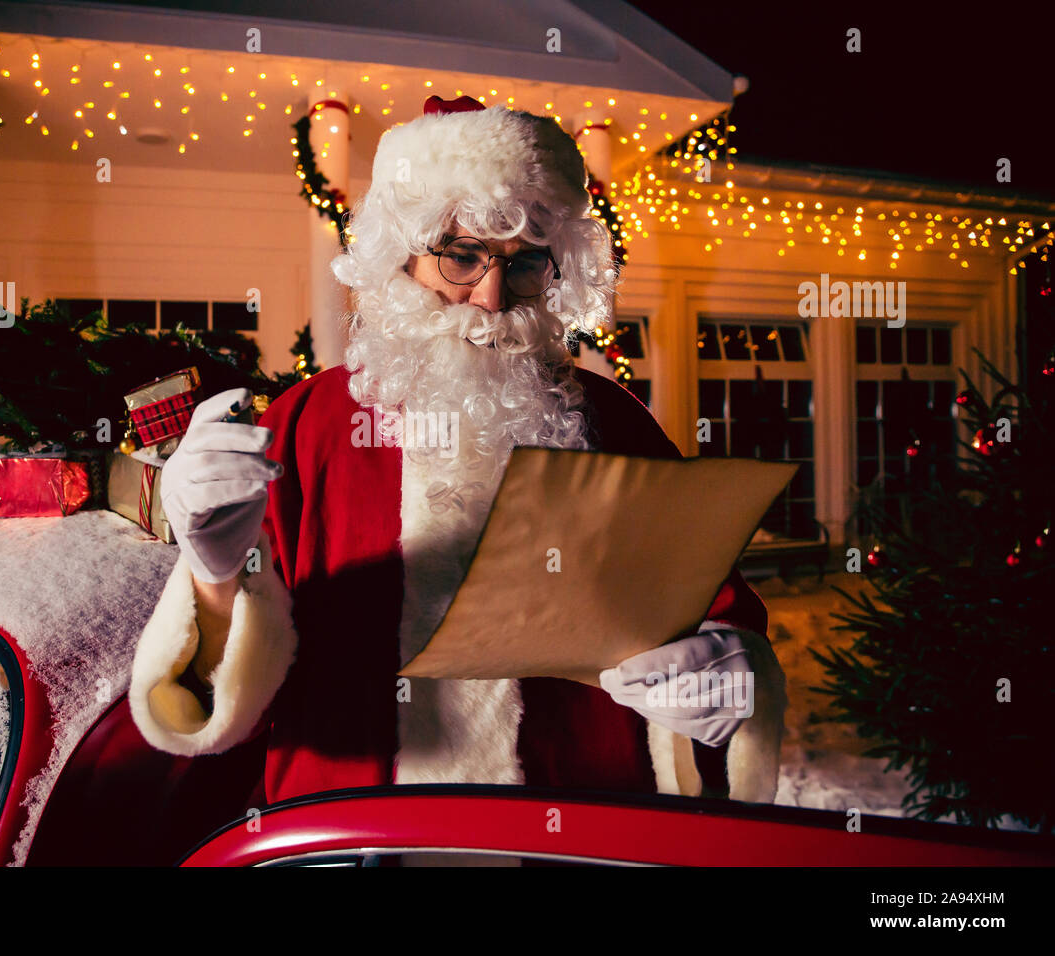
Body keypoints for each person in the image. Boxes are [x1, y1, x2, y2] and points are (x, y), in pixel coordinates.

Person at [130, 96, 786, 806]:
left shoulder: (615, 425)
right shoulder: (306, 427)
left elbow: (713, 604)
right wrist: (213, 577)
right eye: (461, 256)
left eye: (527, 263)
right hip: (359, 832)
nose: (492, 297)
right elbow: (214, 700)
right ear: (400, 256)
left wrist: (728, 670)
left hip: (579, 829)